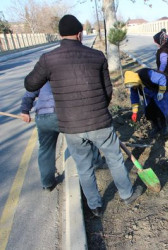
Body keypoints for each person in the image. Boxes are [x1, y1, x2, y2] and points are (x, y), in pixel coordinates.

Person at [24, 14, 143, 217]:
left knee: (84, 165)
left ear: (60, 35)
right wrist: (98, 109)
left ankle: (95, 205)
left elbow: (30, 84)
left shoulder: (48, 60)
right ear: (80, 34)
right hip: (99, 122)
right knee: (114, 158)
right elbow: (107, 92)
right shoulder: (97, 57)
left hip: (71, 126)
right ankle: (126, 195)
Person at [20, 82, 107, 192]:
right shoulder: (66, 69)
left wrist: (25, 111)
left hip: (44, 117)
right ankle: (96, 163)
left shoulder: (40, 75)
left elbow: (29, 94)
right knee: (85, 139)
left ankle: (48, 184)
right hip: (66, 116)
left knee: (45, 149)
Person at [124, 68, 168, 138]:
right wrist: (134, 112)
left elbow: (162, 78)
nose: (133, 88)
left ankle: (164, 127)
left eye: (133, 86)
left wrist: (161, 91)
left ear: (136, 82)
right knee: (149, 111)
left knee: (161, 109)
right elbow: (134, 97)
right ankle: (156, 127)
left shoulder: (147, 74)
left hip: (157, 90)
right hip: (147, 94)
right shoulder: (132, 83)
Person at [153, 28, 168, 116]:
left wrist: (159, 73)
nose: (156, 44)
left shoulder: (163, 51)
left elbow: (163, 63)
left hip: (167, 75)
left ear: (160, 41)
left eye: (156, 43)